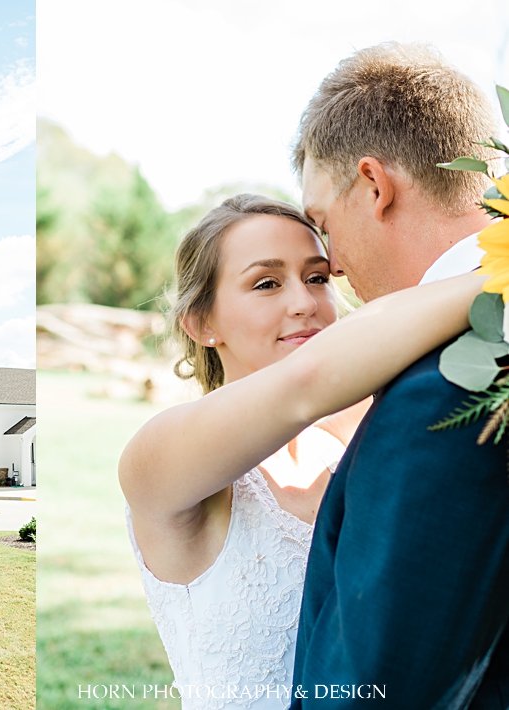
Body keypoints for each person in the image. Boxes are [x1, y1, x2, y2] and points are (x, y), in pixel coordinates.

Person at [118, 193, 487, 708]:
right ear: (202, 324)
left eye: (318, 277)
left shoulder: (368, 430)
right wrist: (497, 276)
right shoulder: (158, 459)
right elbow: (305, 385)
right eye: (266, 283)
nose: (305, 302)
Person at [289, 43, 509, 708]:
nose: (332, 265)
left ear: (375, 186)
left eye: (323, 225)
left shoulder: (445, 392)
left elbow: (368, 691)